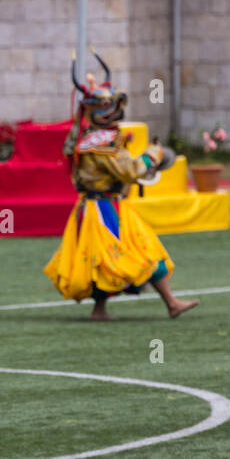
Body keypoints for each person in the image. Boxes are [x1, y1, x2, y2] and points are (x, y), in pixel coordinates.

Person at [44, 55, 198, 321]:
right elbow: (131, 170)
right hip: (103, 209)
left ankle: (105, 309)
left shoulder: (86, 138)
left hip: (98, 206)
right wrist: (154, 155)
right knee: (129, 254)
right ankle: (166, 303)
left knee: (105, 258)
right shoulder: (102, 142)